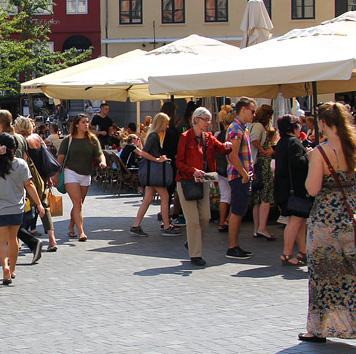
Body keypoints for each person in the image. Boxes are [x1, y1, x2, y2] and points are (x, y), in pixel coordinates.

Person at [299, 102, 356, 342]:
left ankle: (318, 329)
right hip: (351, 215)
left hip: (326, 221)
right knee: (350, 274)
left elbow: (312, 189)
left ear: (322, 123)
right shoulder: (353, 146)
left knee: (323, 275)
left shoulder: (320, 152)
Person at [176, 107, 232, 266]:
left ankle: (192, 241)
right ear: (196, 119)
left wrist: (229, 143)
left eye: (209, 120)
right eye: (206, 119)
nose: (209, 122)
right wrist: (193, 171)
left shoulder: (208, 138)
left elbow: (222, 148)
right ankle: (195, 255)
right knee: (193, 220)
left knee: (205, 218)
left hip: (204, 180)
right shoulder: (185, 137)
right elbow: (179, 162)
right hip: (186, 181)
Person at [0, 133, 45, 285]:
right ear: (14, 148)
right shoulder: (21, 164)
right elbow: (29, 185)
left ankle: (5, 267)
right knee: (13, 240)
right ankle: (12, 269)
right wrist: (39, 204)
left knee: (2, 242)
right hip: (16, 208)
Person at [55, 113, 106, 242]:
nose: (86, 124)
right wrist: (54, 174)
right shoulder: (69, 139)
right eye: (83, 122)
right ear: (77, 124)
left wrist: (102, 161)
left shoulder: (92, 139)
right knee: (77, 203)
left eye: (87, 122)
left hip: (86, 174)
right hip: (70, 172)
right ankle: (81, 232)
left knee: (79, 204)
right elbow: (60, 158)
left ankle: (71, 226)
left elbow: (100, 154)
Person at [130, 113, 182, 237]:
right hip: (155, 172)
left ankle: (136, 225)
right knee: (165, 196)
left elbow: (145, 152)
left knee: (147, 200)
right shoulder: (154, 136)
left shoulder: (152, 135)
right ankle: (166, 226)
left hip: (151, 173)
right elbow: (145, 153)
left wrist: (157, 157)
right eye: (166, 123)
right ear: (161, 123)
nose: (168, 126)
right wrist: (158, 159)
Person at [14, 116, 59, 252]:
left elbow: (22, 161)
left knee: (23, 208)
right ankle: (52, 240)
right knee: (44, 208)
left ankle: (20, 240)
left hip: (29, 178)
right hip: (42, 178)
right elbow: (46, 157)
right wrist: (49, 178)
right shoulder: (37, 138)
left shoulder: (21, 141)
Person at [274, 114, 311, 266]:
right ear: (293, 127)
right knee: (295, 222)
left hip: (284, 188)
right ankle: (287, 254)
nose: (300, 127)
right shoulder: (294, 142)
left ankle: (303, 252)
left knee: (299, 221)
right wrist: (309, 155)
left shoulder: (281, 142)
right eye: (298, 124)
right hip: (295, 190)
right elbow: (299, 164)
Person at [225, 97, 256, 259]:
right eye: (252, 110)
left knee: (238, 210)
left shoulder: (242, 128)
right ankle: (232, 246)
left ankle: (234, 245)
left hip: (242, 175)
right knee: (237, 211)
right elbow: (233, 155)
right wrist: (244, 174)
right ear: (243, 109)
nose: (254, 114)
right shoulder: (236, 128)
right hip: (238, 176)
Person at [249, 104, 275, 240]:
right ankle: (262, 228)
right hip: (263, 164)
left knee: (257, 198)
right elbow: (254, 140)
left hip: (256, 164)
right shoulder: (259, 126)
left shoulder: (253, 125)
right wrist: (263, 150)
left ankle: (257, 228)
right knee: (265, 196)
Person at [214, 111, 234, 232]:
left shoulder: (218, 134)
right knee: (235, 197)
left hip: (220, 169)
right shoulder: (232, 134)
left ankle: (222, 222)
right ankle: (228, 219)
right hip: (230, 169)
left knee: (224, 196)